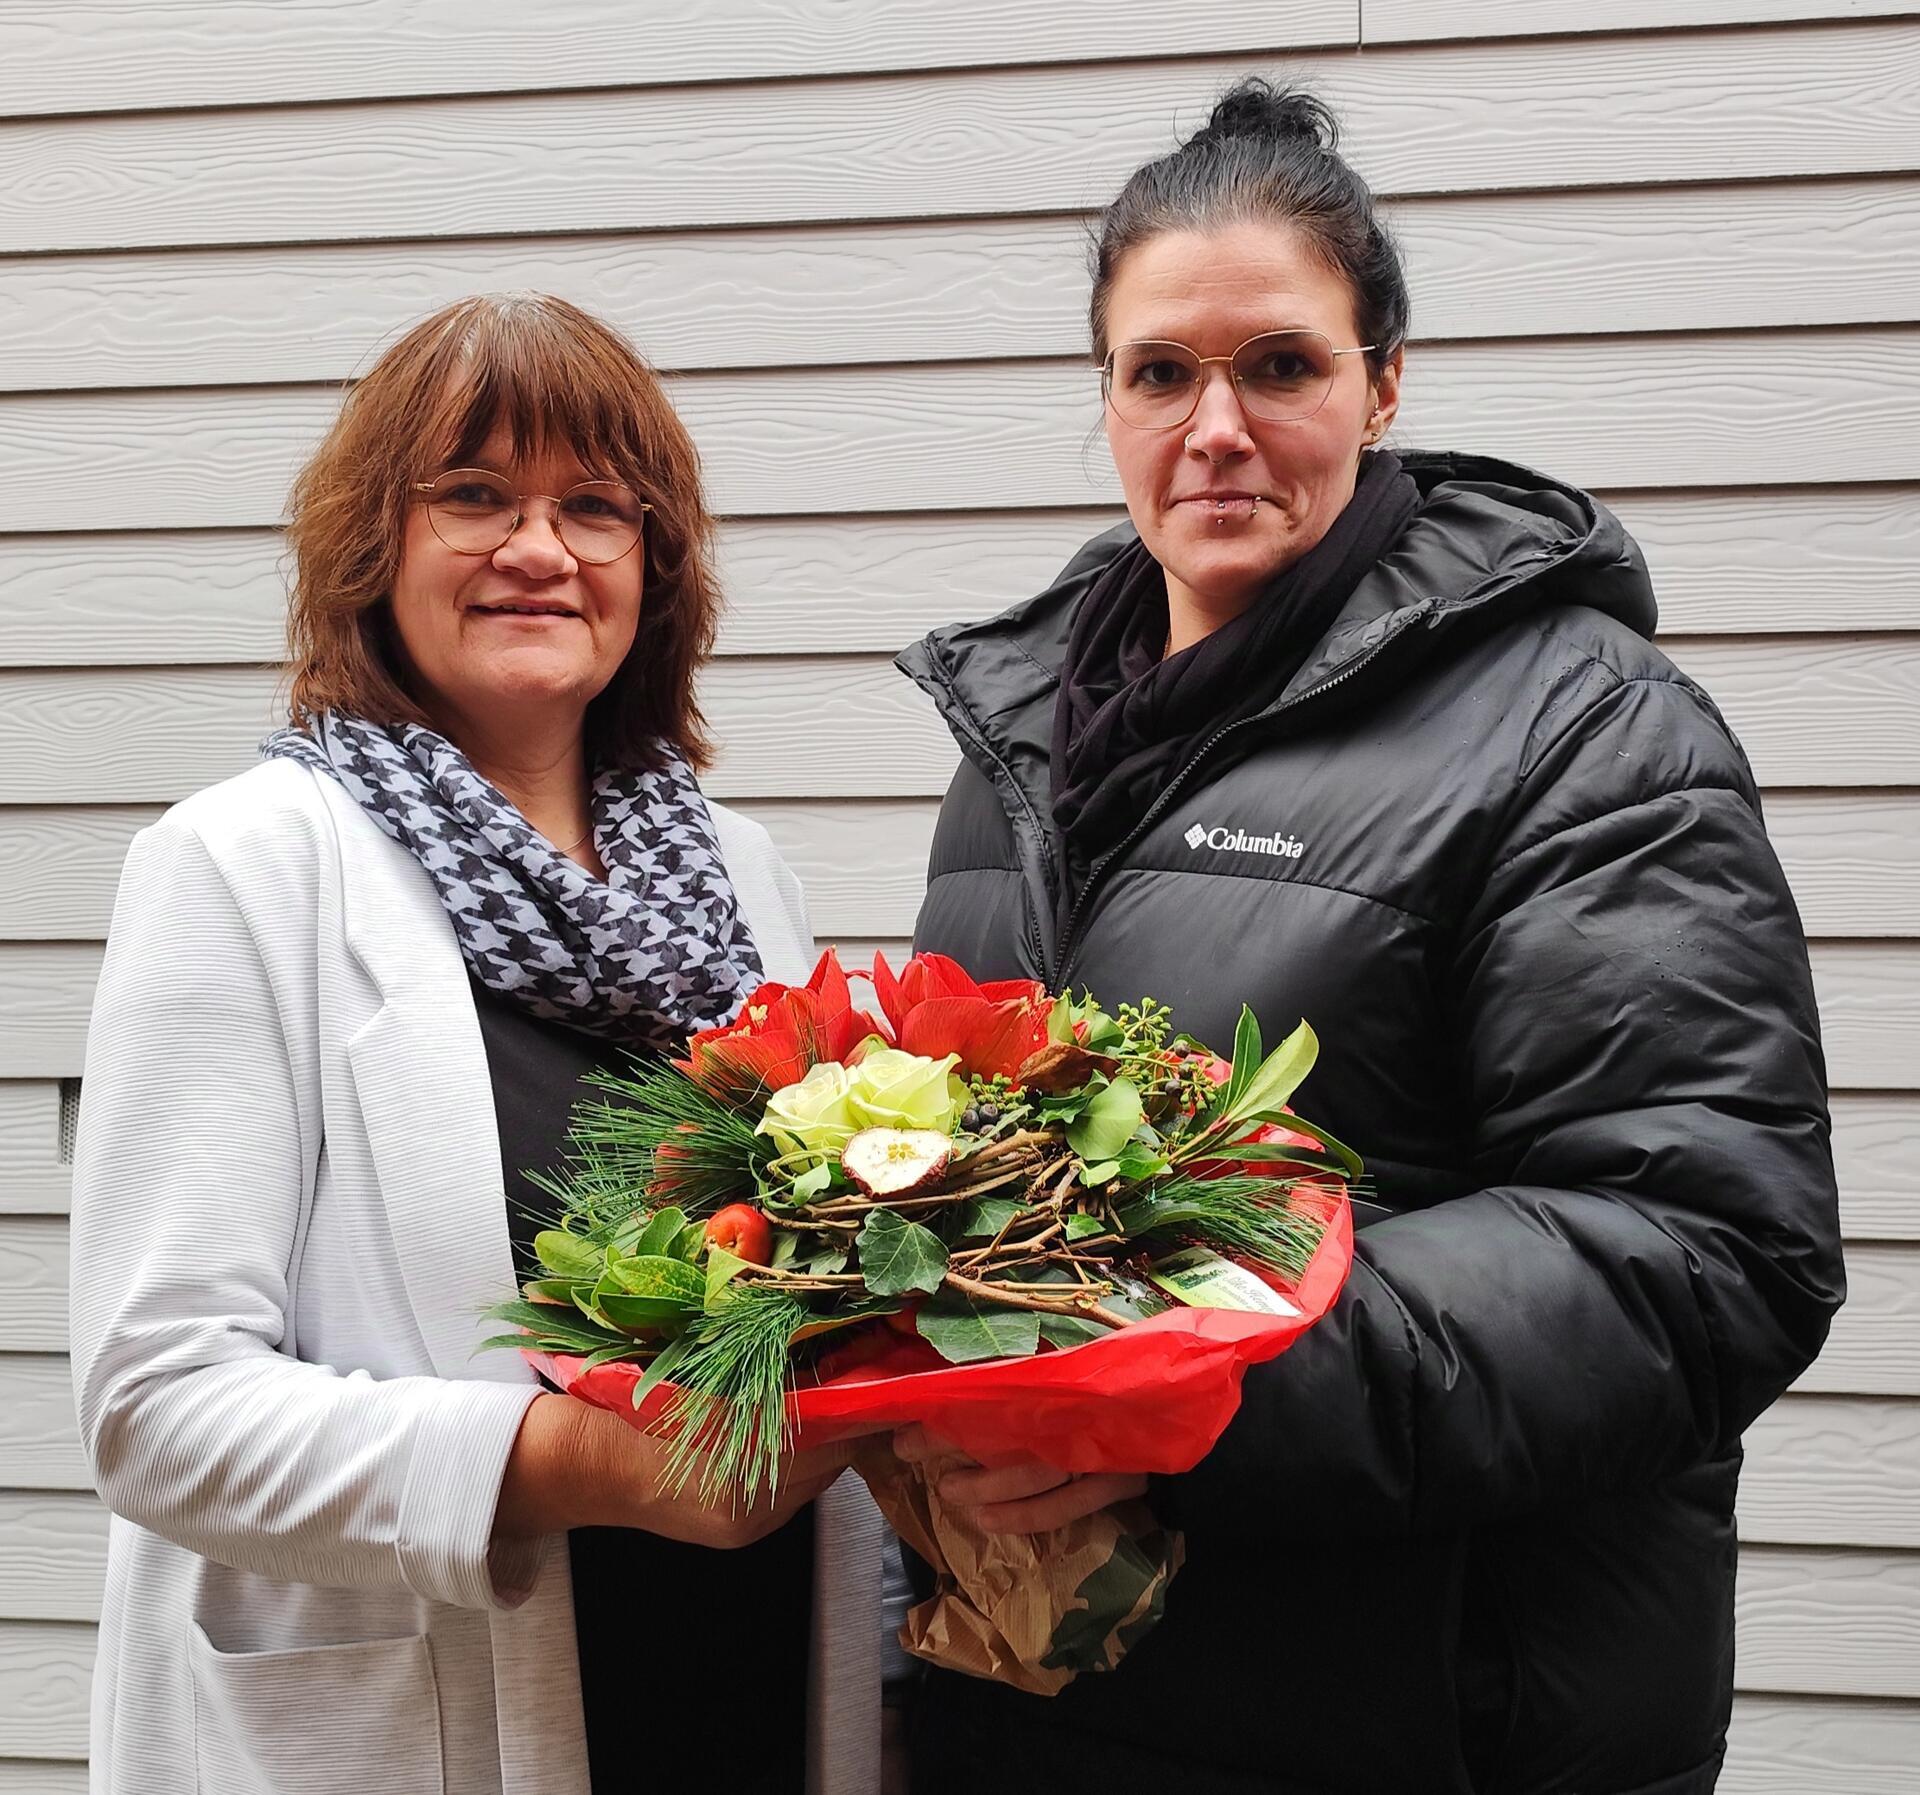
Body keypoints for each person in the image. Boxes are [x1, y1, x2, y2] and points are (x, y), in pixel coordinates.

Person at [893, 82, 1844, 1795]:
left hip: (1425, 1724)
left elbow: (1702, 1244)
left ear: (1384, 382)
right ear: (1104, 397)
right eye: (1161, 372)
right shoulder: (1014, 750)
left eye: (1282, 365)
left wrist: (1176, 1390)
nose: (1217, 427)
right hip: (1050, 1709)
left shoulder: (1581, 731)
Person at [69, 293, 880, 1795]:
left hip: (747, 1682)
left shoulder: (738, 878)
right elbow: (156, 1403)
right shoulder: (247, 868)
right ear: (372, 548)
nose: (538, 548)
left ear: (656, 566)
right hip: (423, 1721)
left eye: (594, 507)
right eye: (473, 496)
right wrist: (569, 1468)